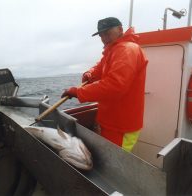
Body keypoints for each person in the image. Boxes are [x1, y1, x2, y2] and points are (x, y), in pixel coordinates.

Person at [61, 17, 148, 152]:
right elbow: (99, 67)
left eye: (107, 33)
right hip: (111, 122)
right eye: (101, 35)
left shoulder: (127, 49)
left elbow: (115, 85)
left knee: (116, 166)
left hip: (121, 126)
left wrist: (78, 92)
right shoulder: (113, 50)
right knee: (108, 161)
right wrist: (90, 74)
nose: (104, 37)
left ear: (120, 29)